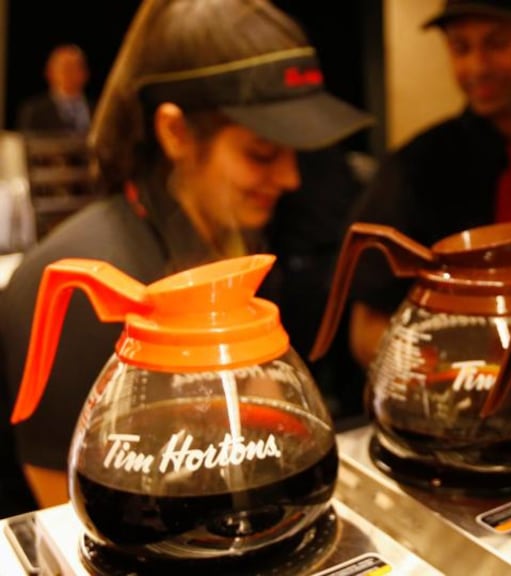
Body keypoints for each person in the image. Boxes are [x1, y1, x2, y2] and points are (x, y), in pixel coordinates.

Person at [0, 0, 372, 508]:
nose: (290, 178)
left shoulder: (234, 243)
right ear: (174, 132)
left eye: (295, 152)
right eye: (261, 153)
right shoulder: (86, 296)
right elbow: (73, 527)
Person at [345, 0, 511, 370]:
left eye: (496, 44)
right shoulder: (412, 169)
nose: (477, 67)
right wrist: (456, 375)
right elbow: (365, 330)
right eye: (460, 48)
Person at [16, 44, 93, 135]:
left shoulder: (99, 110)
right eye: (65, 68)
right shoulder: (33, 112)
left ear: (86, 73)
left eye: (76, 67)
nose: (69, 74)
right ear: (49, 73)